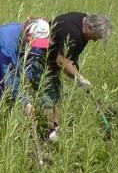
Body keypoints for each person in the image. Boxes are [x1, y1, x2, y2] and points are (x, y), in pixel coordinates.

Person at [0, 18, 51, 131]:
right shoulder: (6, 42)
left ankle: (7, 131)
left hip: (8, 65)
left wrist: (26, 82)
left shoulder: (36, 40)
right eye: (35, 42)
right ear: (28, 35)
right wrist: (26, 102)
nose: (37, 45)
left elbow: (29, 62)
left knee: (11, 103)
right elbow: (9, 76)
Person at [42, 12, 112, 140]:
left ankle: (53, 131)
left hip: (52, 60)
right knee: (50, 97)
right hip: (41, 58)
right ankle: (47, 135)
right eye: (96, 36)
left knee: (58, 95)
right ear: (89, 27)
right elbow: (61, 60)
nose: (95, 40)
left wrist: (78, 76)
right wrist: (80, 79)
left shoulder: (82, 20)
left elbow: (70, 57)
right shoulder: (73, 32)